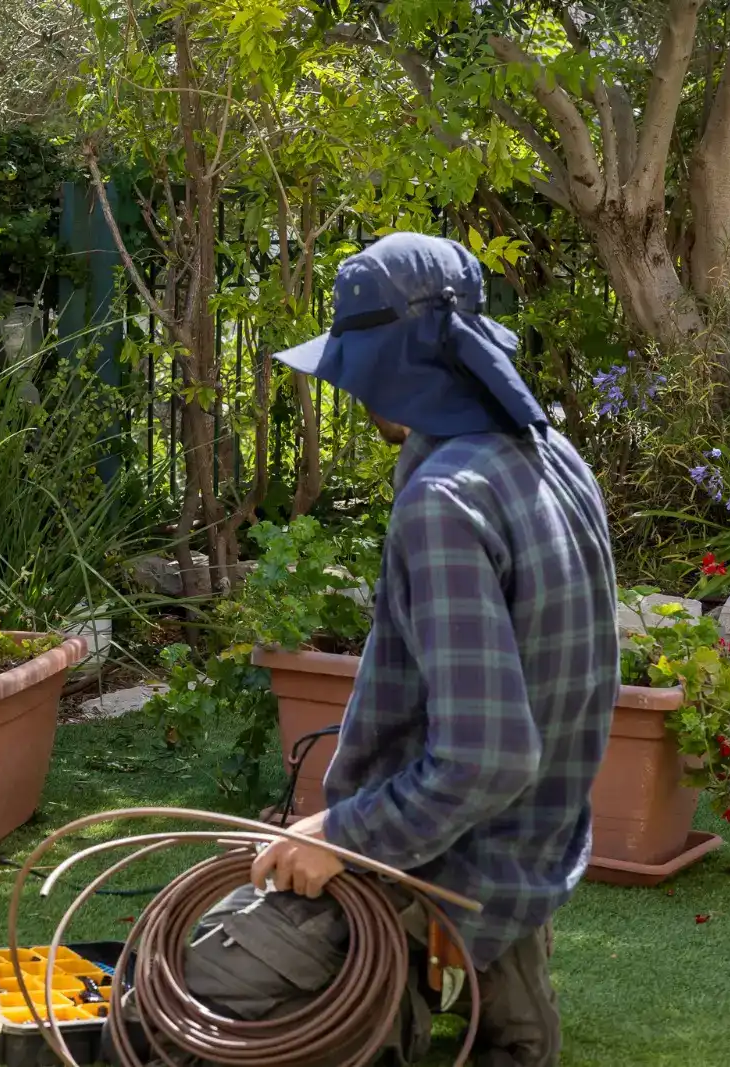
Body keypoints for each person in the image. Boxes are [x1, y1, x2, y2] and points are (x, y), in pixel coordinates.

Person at [179, 232, 619, 1065]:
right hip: (530, 854)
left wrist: (340, 835)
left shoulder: (447, 504)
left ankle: (384, 1011)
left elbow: (487, 758)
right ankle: (505, 987)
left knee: (192, 983)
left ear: (388, 366)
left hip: (440, 866)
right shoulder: (555, 461)